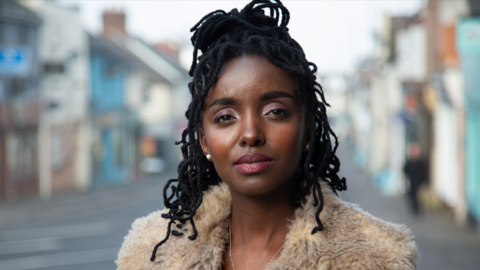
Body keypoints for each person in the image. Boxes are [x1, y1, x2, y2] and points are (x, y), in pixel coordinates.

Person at [116, 1, 419, 269]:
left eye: (275, 111)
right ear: (204, 140)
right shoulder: (148, 254)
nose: (250, 134)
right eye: (225, 117)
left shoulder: (377, 258)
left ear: (309, 132)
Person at [403, 142, 428, 217]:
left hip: (419, 182)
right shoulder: (409, 163)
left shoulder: (421, 163)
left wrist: (423, 181)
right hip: (412, 182)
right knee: (412, 195)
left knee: (418, 197)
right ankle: (414, 209)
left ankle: (418, 209)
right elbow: (405, 171)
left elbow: (424, 172)